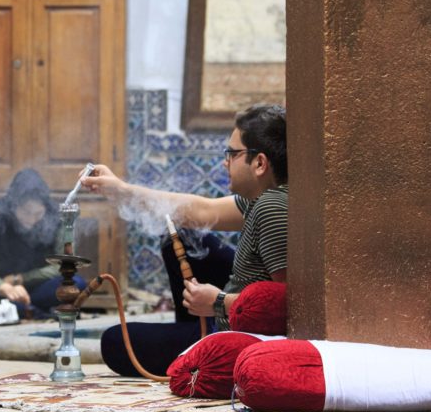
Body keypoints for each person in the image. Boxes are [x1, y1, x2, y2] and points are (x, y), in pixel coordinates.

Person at [82, 104, 288, 376]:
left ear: (260, 163)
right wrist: (121, 191)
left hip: (244, 328)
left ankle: (198, 341)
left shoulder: (271, 207)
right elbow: (202, 211)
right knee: (183, 234)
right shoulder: (261, 198)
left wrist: (218, 302)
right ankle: (191, 332)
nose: (225, 161)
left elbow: (289, 304)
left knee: (114, 341)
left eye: (233, 153)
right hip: (234, 305)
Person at [0, 168, 87, 318]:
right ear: (13, 207)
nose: (31, 219)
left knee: (76, 284)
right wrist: (2, 287)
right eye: (26, 213)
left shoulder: (56, 216)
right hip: (3, 288)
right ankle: (32, 311)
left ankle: (19, 310)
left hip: (39, 287)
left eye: (38, 214)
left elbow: (64, 265)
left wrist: (21, 279)